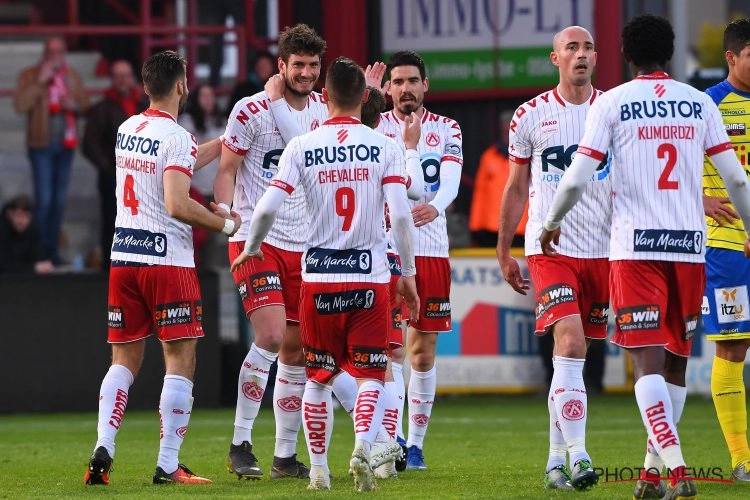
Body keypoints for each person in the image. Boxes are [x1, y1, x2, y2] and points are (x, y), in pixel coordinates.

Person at [540, 14, 750, 500]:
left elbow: (575, 177)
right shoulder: (699, 103)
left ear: (625, 56)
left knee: (646, 366)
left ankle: (675, 468)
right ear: (671, 53)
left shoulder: (612, 102)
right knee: (675, 364)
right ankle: (651, 473)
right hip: (690, 250)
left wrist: (551, 223)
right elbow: (737, 179)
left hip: (636, 250)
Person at [230, 56, 420, 492]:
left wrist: (252, 247)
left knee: (317, 375)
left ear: (326, 96)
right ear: (366, 97)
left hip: (316, 280)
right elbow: (402, 216)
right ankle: (364, 449)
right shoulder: (384, 145)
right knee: (372, 373)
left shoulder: (303, 146)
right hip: (369, 278)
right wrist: (407, 273)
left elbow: (267, 207)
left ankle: (317, 471)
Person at [83, 49, 241, 487]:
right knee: (179, 358)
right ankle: (168, 463)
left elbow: (179, 160)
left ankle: (104, 448)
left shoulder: (127, 128)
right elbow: (176, 202)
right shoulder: (177, 136)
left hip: (125, 258)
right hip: (166, 262)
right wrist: (226, 223)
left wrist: (228, 142)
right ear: (180, 86)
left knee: (124, 359)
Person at [496, 26, 611, 492]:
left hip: (604, 250)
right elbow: (516, 186)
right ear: (555, 58)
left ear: (596, 57)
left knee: (576, 360)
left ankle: (554, 460)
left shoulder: (613, 109)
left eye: (587, 48)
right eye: (572, 48)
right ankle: (580, 456)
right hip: (550, 250)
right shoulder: (530, 115)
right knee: (569, 344)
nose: (580, 55)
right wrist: (504, 248)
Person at [214, 23, 329, 480]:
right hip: (255, 241)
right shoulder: (249, 110)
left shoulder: (322, 109)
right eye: (297, 64)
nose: (305, 72)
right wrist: (225, 211)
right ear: (280, 66)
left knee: (297, 351)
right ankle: (240, 442)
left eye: (312, 65)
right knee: (271, 336)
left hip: (305, 244)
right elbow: (227, 169)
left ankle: (284, 455)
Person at [368, 50, 463, 471]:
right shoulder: (374, 128)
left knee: (422, 353)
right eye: (398, 82)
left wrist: (437, 206)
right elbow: (401, 190)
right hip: (386, 250)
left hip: (432, 250)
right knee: (390, 351)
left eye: (413, 81)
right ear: (387, 89)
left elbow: (452, 181)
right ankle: (394, 435)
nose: (406, 89)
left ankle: (416, 444)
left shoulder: (446, 128)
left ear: (426, 85)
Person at [701, 18, 750, 483]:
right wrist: (698, 198)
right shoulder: (707, 105)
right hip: (726, 246)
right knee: (733, 347)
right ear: (732, 58)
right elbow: (667, 164)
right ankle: (742, 460)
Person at [14, 36, 89, 265]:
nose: (55, 57)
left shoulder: (71, 76)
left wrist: (73, 105)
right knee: (44, 200)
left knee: (58, 201)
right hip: (41, 145)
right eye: (51, 52)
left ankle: (51, 250)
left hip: (65, 146)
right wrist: (40, 81)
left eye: (59, 52)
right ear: (44, 54)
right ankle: (37, 253)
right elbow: (21, 104)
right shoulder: (30, 75)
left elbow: (84, 104)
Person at [83, 60, 149, 271]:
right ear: (112, 79)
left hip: (142, 174)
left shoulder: (144, 105)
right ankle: (110, 266)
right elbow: (89, 144)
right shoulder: (102, 108)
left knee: (143, 219)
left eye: (126, 75)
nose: (123, 80)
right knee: (112, 220)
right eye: (118, 75)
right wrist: (109, 168)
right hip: (113, 175)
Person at [470, 110, 526, 248]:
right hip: (492, 228)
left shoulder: (530, 156)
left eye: (511, 131)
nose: (508, 135)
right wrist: (475, 225)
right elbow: (480, 192)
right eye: (505, 131)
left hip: (523, 227)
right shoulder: (489, 157)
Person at [179, 83, 226, 202]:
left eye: (210, 95)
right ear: (196, 99)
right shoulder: (186, 122)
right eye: (203, 96)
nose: (208, 99)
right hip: (195, 187)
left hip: (218, 187)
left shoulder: (223, 122)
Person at [0, 194, 54, 274]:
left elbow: (38, 256)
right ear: (10, 214)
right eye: (18, 215)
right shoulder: (2, 230)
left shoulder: (33, 230)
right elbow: (3, 264)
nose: (21, 220)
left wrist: (44, 265)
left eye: (25, 216)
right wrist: (33, 268)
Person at [225, 51, 278, 118]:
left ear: (272, 67)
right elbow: (231, 114)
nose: (262, 68)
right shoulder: (242, 89)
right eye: (260, 65)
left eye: (265, 65)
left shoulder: (279, 88)